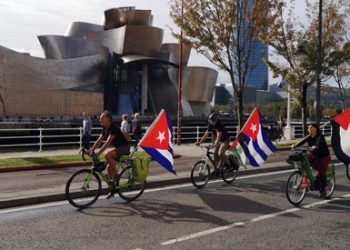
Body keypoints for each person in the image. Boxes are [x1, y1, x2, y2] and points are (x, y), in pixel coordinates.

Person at [89, 111, 130, 199]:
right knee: (108, 168)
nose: (100, 120)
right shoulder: (104, 128)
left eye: (102, 118)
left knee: (107, 155)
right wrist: (90, 150)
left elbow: (107, 143)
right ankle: (112, 188)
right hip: (118, 148)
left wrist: (98, 153)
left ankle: (117, 175)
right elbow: (99, 141)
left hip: (124, 147)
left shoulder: (113, 128)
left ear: (108, 119)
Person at [306, 123, 331, 199]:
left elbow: (318, 143)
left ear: (316, 129)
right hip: (314, 155)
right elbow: (301, 142)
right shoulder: (309, 137)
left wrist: (315, 146)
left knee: (322, 173)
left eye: (312, 127)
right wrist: (295, 146)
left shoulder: (320, 136)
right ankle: (309, 179)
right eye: (309, 128)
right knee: (304, 160)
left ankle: (323, 190)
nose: (310, 129)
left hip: (323, 157)